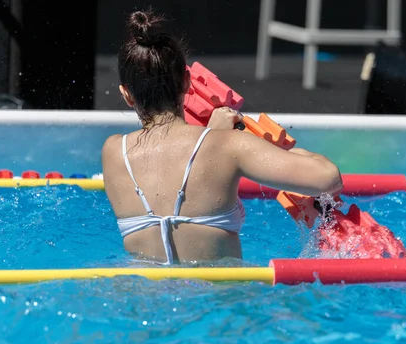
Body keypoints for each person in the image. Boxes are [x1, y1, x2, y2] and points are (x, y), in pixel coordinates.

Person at [102, 9, 343, 265]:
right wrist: (234, 139)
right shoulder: (228, 146)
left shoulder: (113, 151)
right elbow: (328, 178)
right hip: (216, 299)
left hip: (142, 296)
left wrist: (214, 136)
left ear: (126, 94)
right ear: (187, 82)